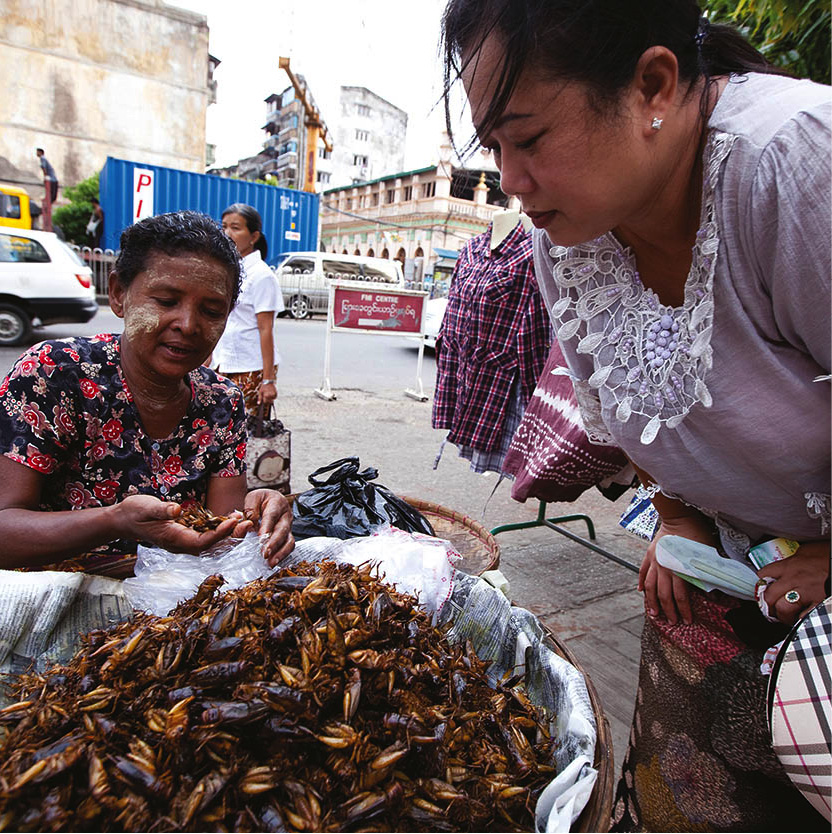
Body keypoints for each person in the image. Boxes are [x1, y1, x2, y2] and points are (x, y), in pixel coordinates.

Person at [442, 1, 830, 830]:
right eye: (495, 148)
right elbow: (641, 420)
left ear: (653, 84)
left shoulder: (790, 162)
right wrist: (683, 517)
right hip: (720, 583)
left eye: (531, 138)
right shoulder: (569, 241)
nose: (510, 181)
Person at [0, 210, 294, 573]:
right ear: (119, 294)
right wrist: (113, 521)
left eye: (212, 310)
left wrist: (257, 510)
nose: (188, 325)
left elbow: (223, 534)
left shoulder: (222, 401)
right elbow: (4, 529)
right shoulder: (54, 373)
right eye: (166, 301)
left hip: (167, 602)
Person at [213, 204, 285, 414]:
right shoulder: (229, 269)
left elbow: (265, 329)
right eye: (224, 226)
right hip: (223, 362)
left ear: (253, 236)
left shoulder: (262, 276)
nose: (227, 233)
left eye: (235, 228)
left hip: (250, 367)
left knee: (246, 434)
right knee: (221, 431)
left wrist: (268, 380)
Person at [36, 148, 58, 233]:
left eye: (37, 152)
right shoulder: (43, 159)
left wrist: (45, 177)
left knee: (51, 197)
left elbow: (44, 169)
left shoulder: (43, 159)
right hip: (52, 180)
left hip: (52, 180)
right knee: (51, 198)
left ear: (41, 152)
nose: (36, 153)